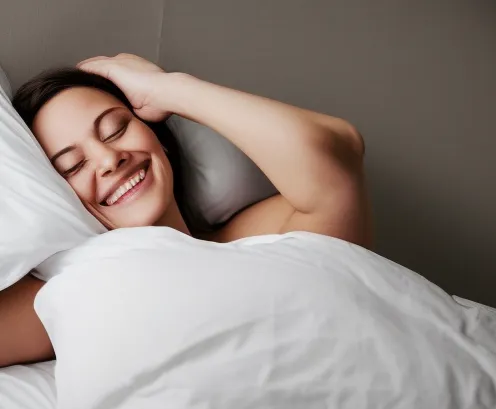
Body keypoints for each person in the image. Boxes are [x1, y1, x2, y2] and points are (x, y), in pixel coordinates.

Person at [0, 53, 373, 367]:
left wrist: (168, 89)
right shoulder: (75, 291)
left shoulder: (254, 240)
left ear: (158, 138)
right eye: (73, 167)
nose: (109, 160)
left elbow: (339, 155)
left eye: (115, 130)